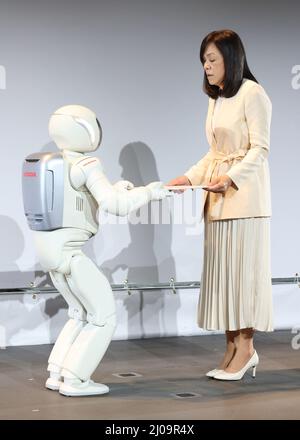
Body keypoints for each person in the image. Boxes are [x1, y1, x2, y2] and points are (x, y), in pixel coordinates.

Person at [23, 105, 167, 396]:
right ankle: (76, 380)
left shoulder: (51, 162)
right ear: (86, 129)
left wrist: (115, 187)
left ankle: (58, 373)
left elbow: (80, 195)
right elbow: (116, 205)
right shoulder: (86, 165)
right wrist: (150, 192)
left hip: (52, 253)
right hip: (72, 253)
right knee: (102, 315)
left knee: (78, 312)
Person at [168, 29, 273, 381]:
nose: (207, 67)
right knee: (225, 278)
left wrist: (231, 178)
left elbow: (260, 149)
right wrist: (187, 178)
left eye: (212, 59)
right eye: (203, 61)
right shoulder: (216, 99)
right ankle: (231, 348)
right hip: (217, 201)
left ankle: (246, 349)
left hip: (245, 199)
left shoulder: (252, 93)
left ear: (232, 57)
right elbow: (215, 153)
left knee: (243, 277)